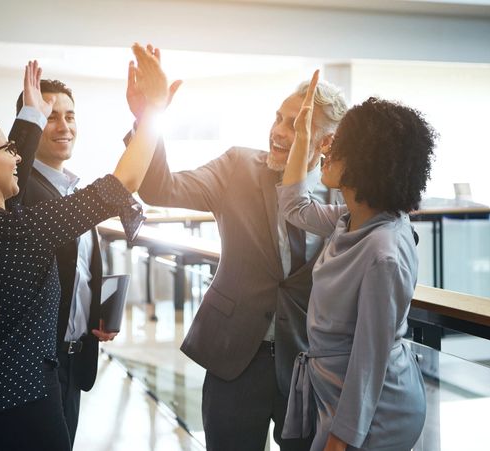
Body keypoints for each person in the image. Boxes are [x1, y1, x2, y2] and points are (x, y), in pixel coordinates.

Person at [0, 45, 168, 451]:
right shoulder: (20, 233)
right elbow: (124, 182)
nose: (18, 157)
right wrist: (153, 111)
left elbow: (10, 185)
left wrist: (31, 114)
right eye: (8, 150)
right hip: (24, 416)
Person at [131, 49, 348, 450]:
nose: (279, 131)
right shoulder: (237, 166)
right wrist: (149, 118)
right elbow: (159, 187)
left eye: (296, 123)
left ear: (326, 141)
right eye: (278, 118)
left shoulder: (345, 194)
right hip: (235, 356)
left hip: (307, 365)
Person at [278, 71, 433, 450]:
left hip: (377, 412)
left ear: (366, 162)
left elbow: (369, 360)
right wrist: (302, 137)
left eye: (340, 146)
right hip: (337, 393)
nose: (327, 151)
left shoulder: (384, 252)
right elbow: (294, 206)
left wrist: (340, 439)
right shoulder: (349, 219)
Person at [15, 79, 119, 445]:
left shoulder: (73, 188)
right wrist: (29, 118)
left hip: (74, 359)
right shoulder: (19, 189)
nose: (64, 127)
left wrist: (95, 315)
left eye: (70, 116)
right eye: (50, 117)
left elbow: (79, 272)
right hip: (35, 364)